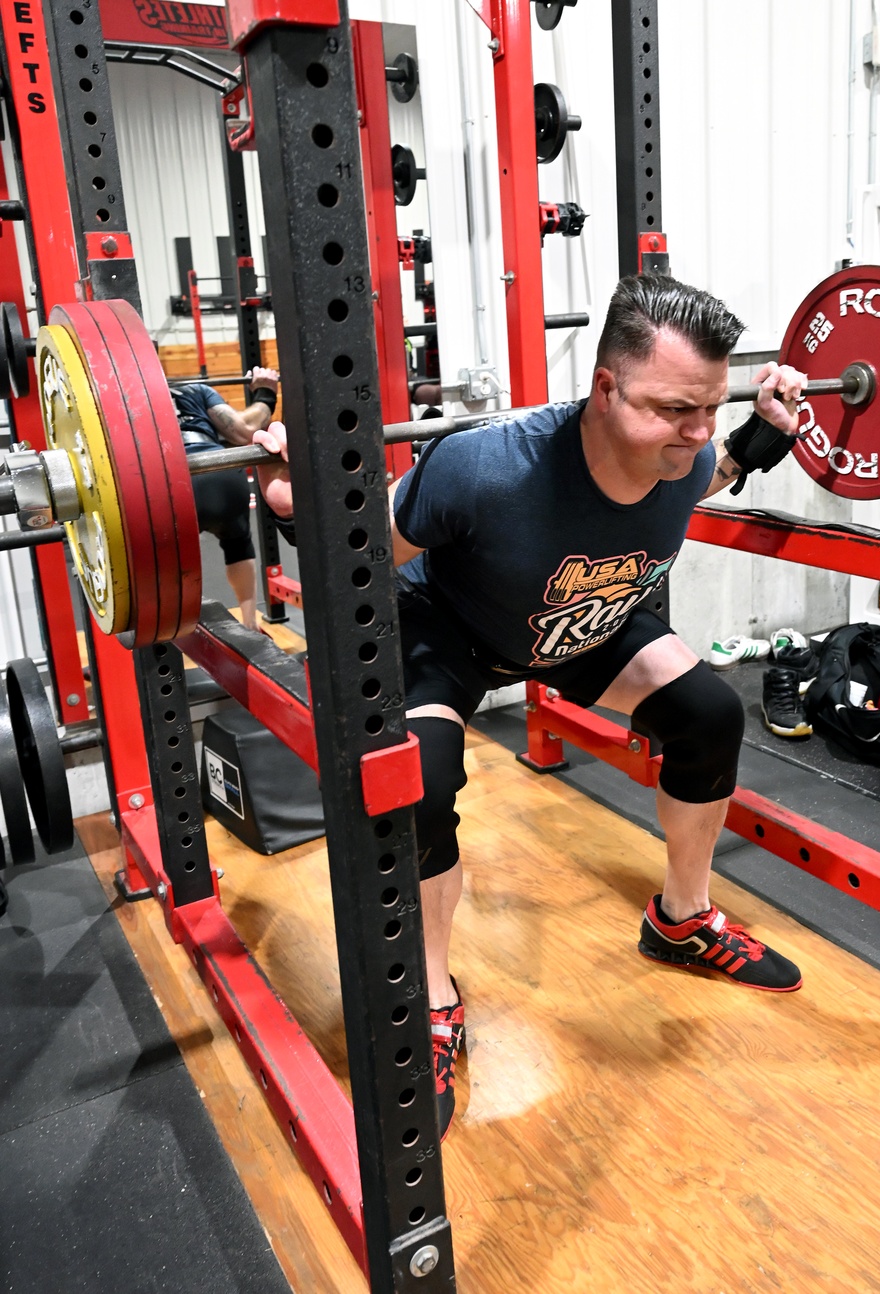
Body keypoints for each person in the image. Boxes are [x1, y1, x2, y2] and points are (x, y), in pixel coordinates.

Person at [253, 275, 808, 1139]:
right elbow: (361, 562)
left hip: (573, 629)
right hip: (449, 629)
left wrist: (754, 437)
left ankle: (681, 918)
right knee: (420, 790)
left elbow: (707, 473)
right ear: (604, 389)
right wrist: (300, 509)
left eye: (709, 408)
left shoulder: (687, 451)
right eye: (672, 410)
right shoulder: (484, 468)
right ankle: (432, 995)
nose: (694, 433)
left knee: (709, 715)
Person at [171, 366, 280, 629]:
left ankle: (178, 628)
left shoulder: (127, 400)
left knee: (168, 556)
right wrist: (266, 393)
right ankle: (250, 624)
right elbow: (244, 431)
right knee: (238, 543)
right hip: (220, 472)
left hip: (173, 481)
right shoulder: (194, 389)